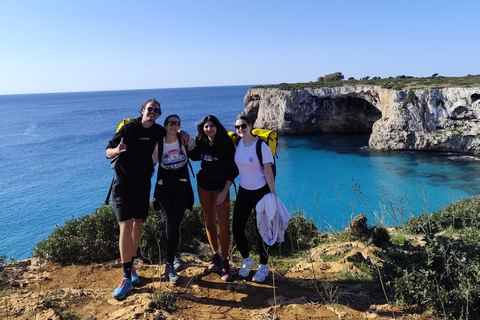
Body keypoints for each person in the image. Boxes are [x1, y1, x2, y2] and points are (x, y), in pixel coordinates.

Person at [106, 99, 165, 299]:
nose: (153, 112)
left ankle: (131, 268)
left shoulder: (158, 131)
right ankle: (126, 277)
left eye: (157, 110)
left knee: (137, 225)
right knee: (126, 226)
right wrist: (117, 150)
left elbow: (172, 136)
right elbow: (107, 152)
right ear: (142, 111)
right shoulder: (128, 128)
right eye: (150, 109)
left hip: (143, 186)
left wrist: (181, 133)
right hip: (123, 185)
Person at [189, 115, 238, 281]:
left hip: (220, 188)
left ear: (217, 127)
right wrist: (181, 137)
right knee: (209, 221)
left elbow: (233, 169)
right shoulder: (202, 143)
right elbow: (193, 155)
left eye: (211, 126)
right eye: (206, 126)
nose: (209, 129)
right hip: (203, 186)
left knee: (224, 224)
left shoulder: (225, 144)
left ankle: (225, 260)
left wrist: (224, 191)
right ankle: (215, 255)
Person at [232, 115, 276, 283]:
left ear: (250, 125)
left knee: (262, 231)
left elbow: (268, 172)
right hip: (244, 191)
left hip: (261, 192)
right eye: (237, 127)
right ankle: (247, 259)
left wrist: (273, 195)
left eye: (243, 126)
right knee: (237, 227)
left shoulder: (261, 146)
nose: (240, 129)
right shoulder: (237, 143)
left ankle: (263, 266)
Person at [152, 114, 195, 285]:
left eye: (177, 123)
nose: (173, 125)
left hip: (182, 187)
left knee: (174, 223)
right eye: (170, 122)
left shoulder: (184, 140)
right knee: (169, 222)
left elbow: (201, 146)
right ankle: (175, 254)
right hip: (164, 189)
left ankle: (169, 265)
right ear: (164, 126)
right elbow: (149, 164)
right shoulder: (158, 144)